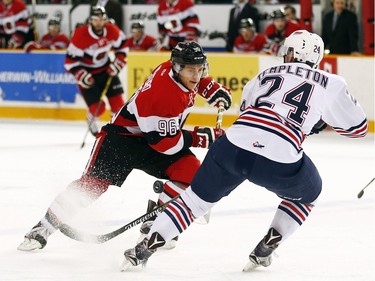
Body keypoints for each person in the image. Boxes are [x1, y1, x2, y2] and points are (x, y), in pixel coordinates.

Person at [121, 30, 368, 272]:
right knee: (309, 194)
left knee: (193, 201)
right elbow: (358, 129)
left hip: (233, 145)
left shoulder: (266, 72)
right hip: (278, 156)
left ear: (292, 53)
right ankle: (267, 247)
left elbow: (247, 108)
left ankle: (145, 247)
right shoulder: (331, 81)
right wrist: (318, 122)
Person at [17, 41, 232, 252]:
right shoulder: (162, 94)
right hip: (123, 140)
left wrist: (212, 88)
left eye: (200, 69)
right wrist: (200, 137)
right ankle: (42, 228)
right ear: (177, 68)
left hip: (155, 136)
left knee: (191, 171)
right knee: (93, 185)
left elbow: (195, 80)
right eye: (191, 71)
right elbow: (165, 145)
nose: (196, 76)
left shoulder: (175, 70)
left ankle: (155, 224)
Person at [64, 6, 127, 137]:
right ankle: (91, 118)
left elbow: (123, 46)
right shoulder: (81, 34)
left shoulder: (111, 30)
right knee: (98, 108)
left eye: (101, 19)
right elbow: (70, 63)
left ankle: (115, 133)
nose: (98, 22)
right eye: (95, 19)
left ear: (105, 20)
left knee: (118, 106)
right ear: (90, 20)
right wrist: (83, 76)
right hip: (88, 74)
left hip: (106, 70)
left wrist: (117, 64)